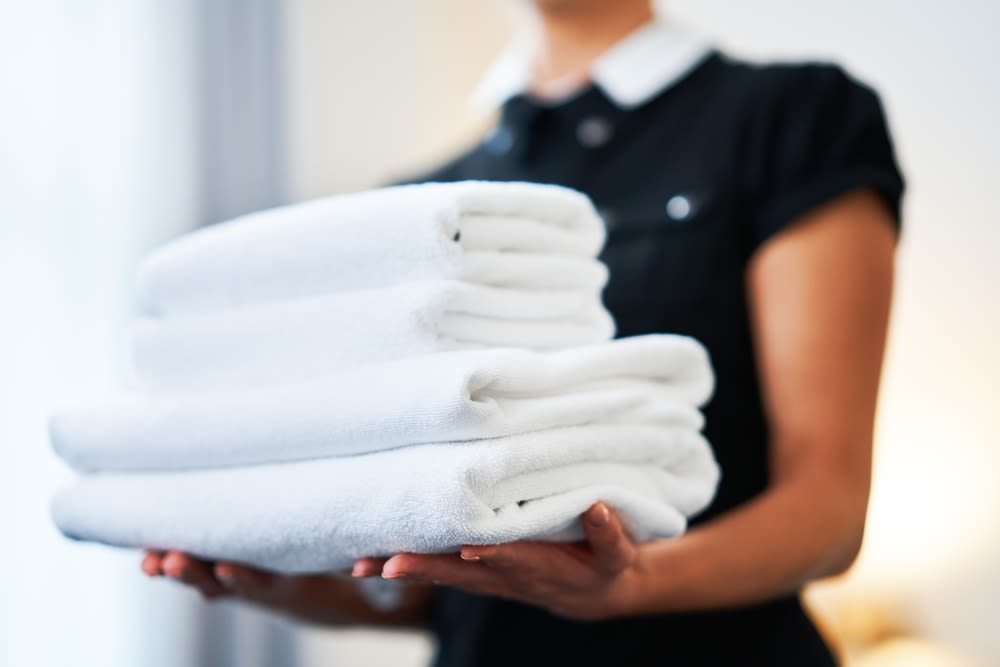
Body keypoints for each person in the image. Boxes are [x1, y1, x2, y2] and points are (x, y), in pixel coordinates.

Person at [141, 0, 904, 664]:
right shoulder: (418, 211)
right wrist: (290, 583)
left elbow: (828, 509)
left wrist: (636, 581)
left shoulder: (791, 117)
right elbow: (450, 572)